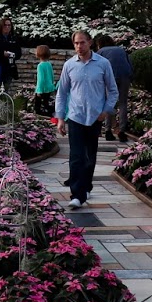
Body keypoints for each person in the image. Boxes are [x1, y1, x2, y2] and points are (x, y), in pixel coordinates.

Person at [54, 30, 118, 209]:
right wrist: (60, 118)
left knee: (89, 156)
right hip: (75, 116)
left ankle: (86, 185)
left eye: (82, 42)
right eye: (76, 43)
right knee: (76, 156)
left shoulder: (103, 64)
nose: (79, 47)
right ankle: (77, 194)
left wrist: (106, 111)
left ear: (90, 43)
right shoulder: (69, 65)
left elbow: (113, 90)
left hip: (95, 117)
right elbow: (62, 93)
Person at [93, 33, 133, 141]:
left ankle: (108, 131)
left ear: (100, 44)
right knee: (123, 103)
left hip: (111, 76)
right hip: (125, 76)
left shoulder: (101, 51)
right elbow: (129, 64)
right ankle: (122, 131)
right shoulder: (121, 50)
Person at [33, 45, 58, 121]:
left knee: (38, 105)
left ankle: (41, 116)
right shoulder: (48, 64)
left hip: (42, 88)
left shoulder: (40, 66)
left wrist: (39, 90)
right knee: (46, 103)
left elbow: (41, 79)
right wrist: (52, 85)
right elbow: (52, 75)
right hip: (49, 87)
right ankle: (50, 113)